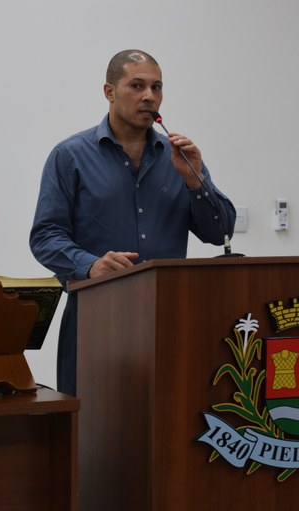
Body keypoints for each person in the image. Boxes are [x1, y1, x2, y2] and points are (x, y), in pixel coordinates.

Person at [30, 49, 236, 396]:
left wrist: (195, 180)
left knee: (170, 414)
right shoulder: (70, 155)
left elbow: (220, 233)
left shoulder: (179, 157)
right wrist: (90, 265)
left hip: (170, 318)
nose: (149, 96)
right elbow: (45, 236)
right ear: (109, 92)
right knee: (92, 421)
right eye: (137, 86)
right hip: (97, 317)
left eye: (157, 87)